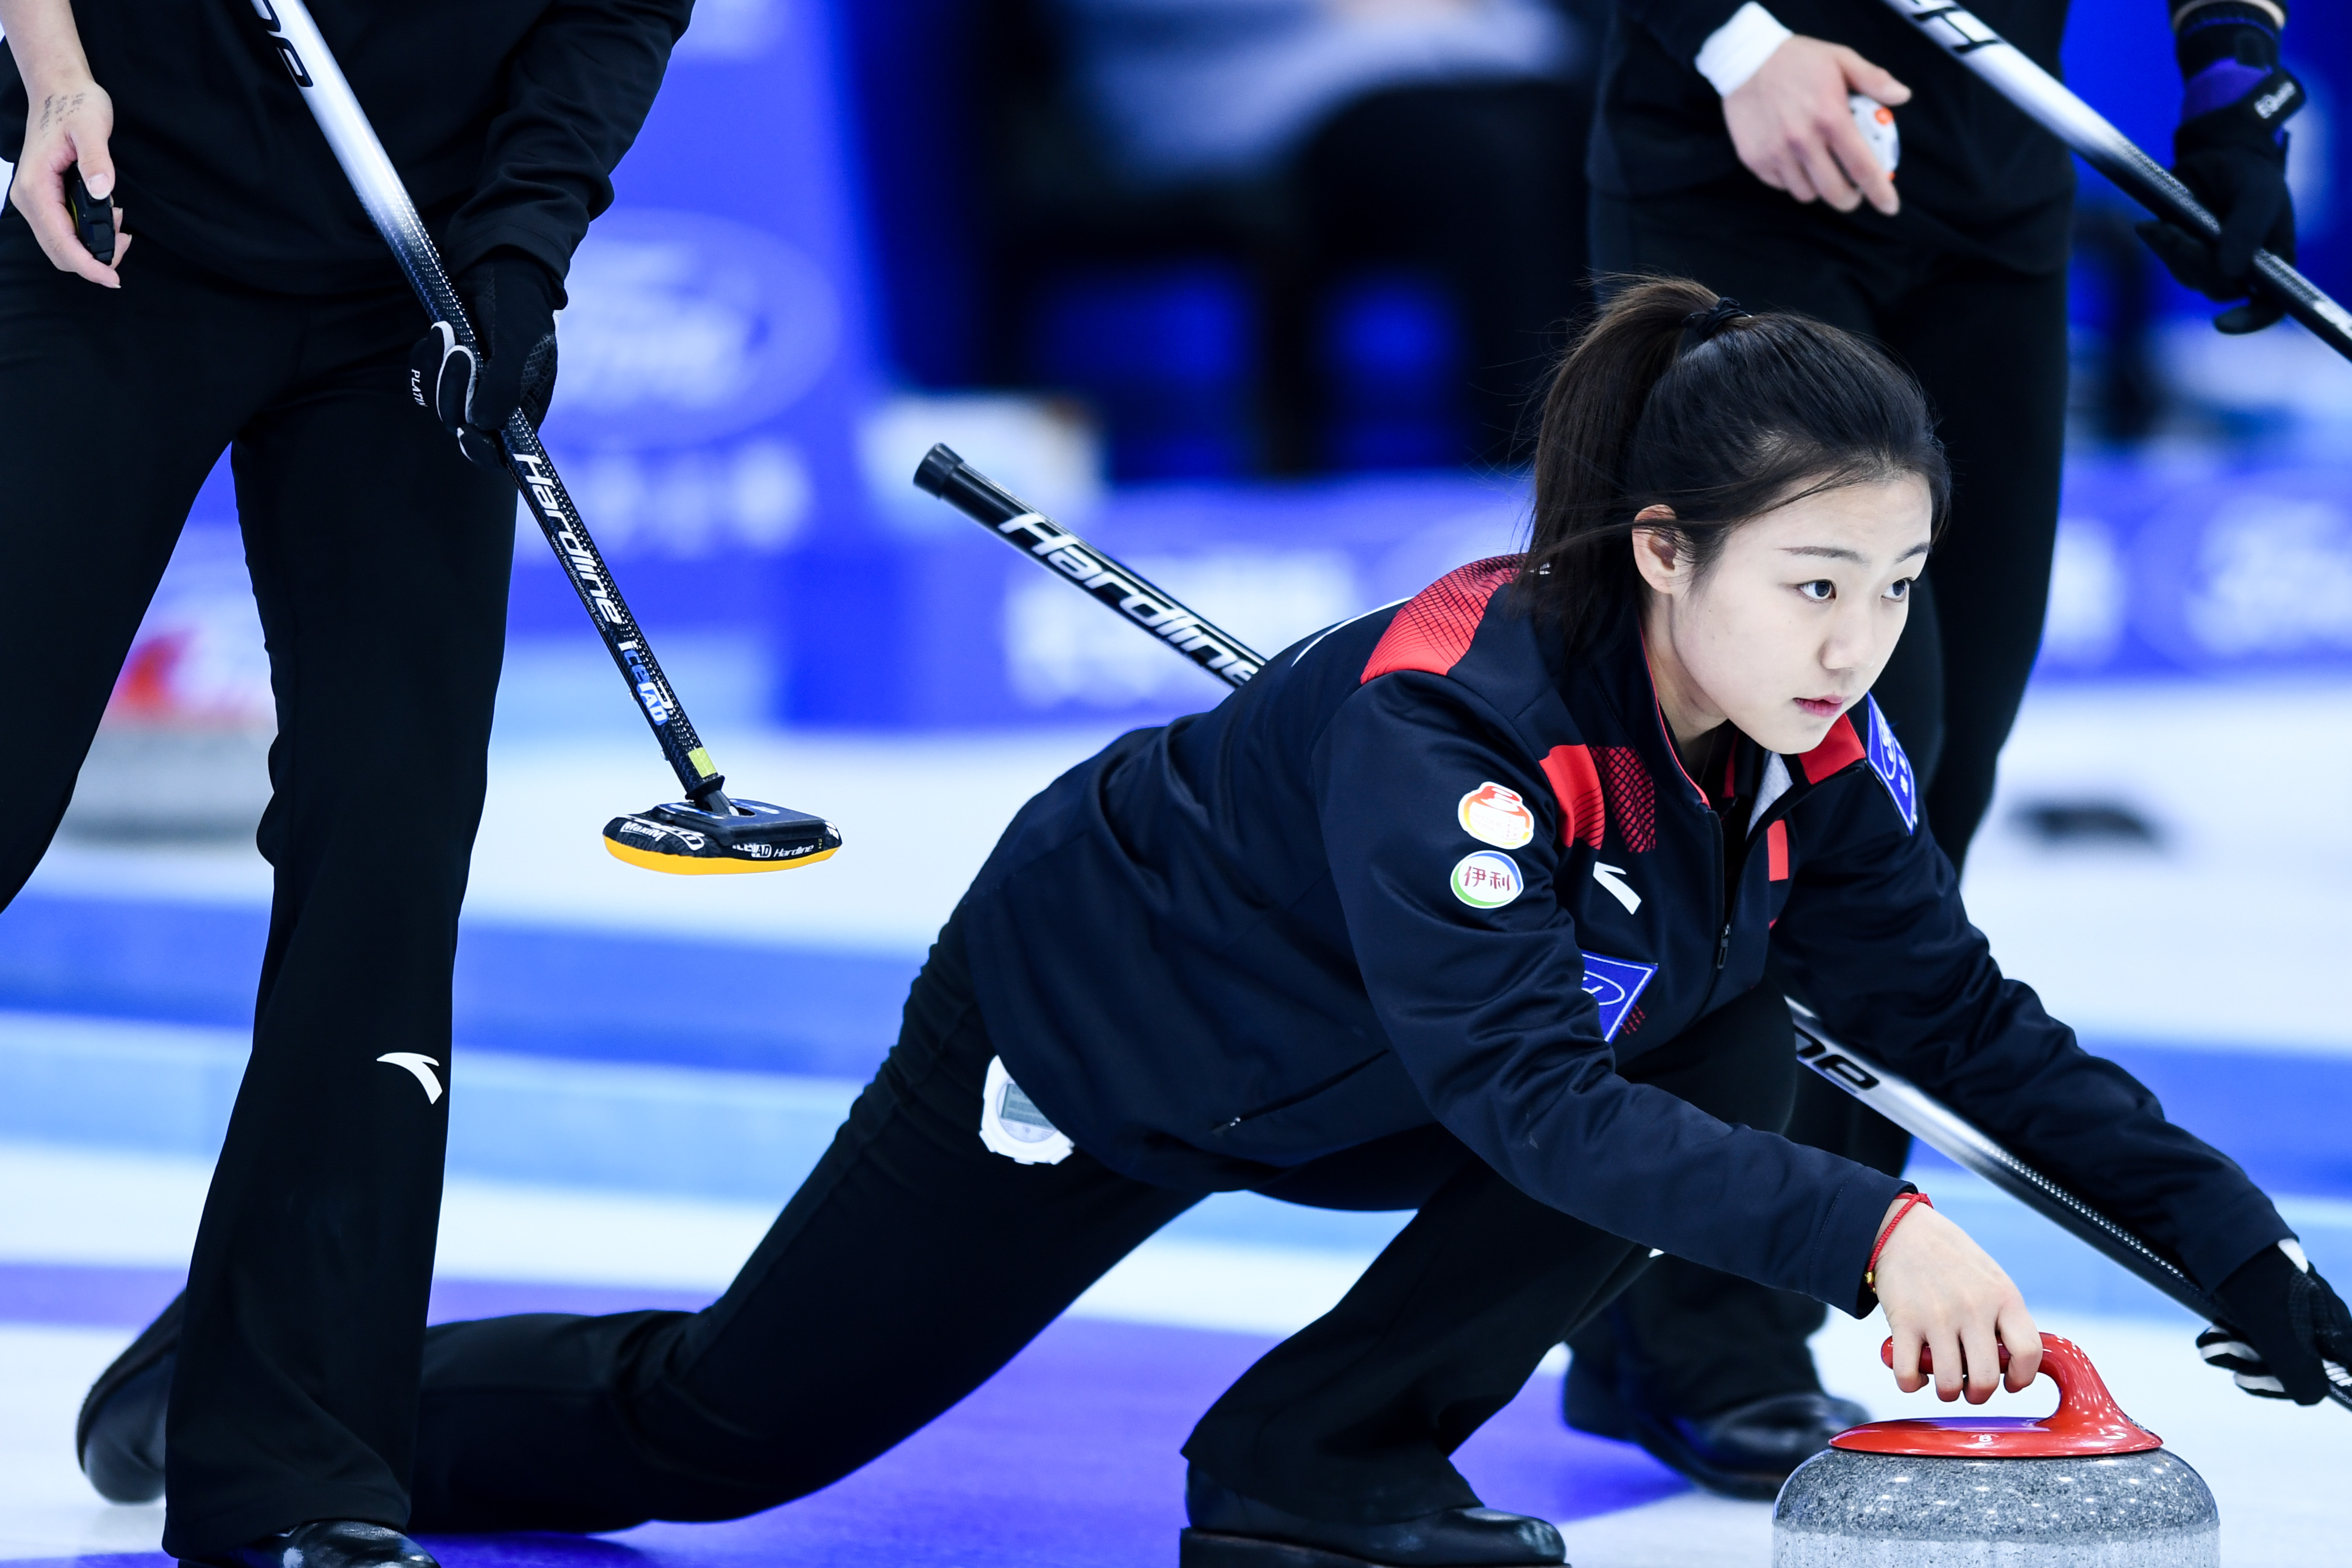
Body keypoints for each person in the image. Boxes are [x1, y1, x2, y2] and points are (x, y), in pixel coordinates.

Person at [84, 281, 2348, 1566]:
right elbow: (1521, 1099)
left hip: (1364, 1070)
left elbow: (1965, 1017)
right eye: (1810, 582)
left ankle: (1314, 1467)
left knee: (1736, 1037)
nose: (1857, 640)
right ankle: (260, 1385)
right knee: (722, 1436)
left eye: (1893, 588)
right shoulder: (1445, 732)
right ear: (1662, 548)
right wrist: (1870, 1240)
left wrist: (2248, 1260)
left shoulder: (1798, 757)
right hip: (1096, 1039)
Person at [1561, 0, 2312, 1496]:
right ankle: (1704, 1331)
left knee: (1923, 799)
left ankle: (1708, 1299)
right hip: (1740, 153)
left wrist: (2231, 81)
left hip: (1986, 184)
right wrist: (1729, 39)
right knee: (1812, 763)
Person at [0, 3, 692, 1566]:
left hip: (412, 268)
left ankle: (293, 1458)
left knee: (391, 830)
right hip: (110, 208)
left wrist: (524, 234)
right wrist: (48, 73)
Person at [1025, 0, 1599, 467]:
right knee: (1487, 159)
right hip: (1236, 80)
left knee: (1593, 137)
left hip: (1442, 57)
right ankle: (1540, 481)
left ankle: (1610, 460)